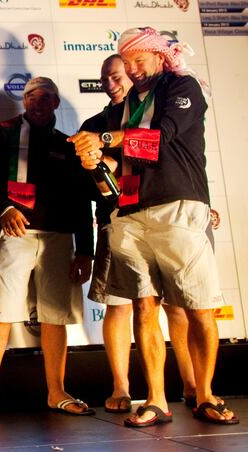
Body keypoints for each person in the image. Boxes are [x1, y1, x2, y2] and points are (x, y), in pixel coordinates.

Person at [69, 27, 238, 426]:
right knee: (144, 308)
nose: (132, 67)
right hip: (129, 214)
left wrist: (104, 138)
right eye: (126, 61)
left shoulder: (182, 86)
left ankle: (207, 394)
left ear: (160, 56)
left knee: (197, 309)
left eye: (138, 59)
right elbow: (113, 169)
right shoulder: (120, 108)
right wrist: (94, 160)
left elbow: (160, 140)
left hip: (177, 209)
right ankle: (157, 399)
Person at [0, 77, 95, 422]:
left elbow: (82, 199)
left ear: (55, 103)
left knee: (56, 316)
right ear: (24, 102)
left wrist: (86, 250)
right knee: (0, 314)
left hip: (57, 239)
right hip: (13, 234)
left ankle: (56, 392)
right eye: (30, 97)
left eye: (44, 98)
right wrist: (3, 209)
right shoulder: (2, 133)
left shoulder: (68, 144)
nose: (36, 104)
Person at [81, 55, 197, 414]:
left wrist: (200, 202)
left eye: (117, 75)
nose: (112, 82)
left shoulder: (159, 113)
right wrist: (96, 168)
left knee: (176, 304)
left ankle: (192, 385)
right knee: (119, 306)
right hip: (116, 219)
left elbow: (178, 161)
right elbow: (92, 186)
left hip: (163, 216)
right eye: (106, 77)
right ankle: (121, 386)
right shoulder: (95, 123)